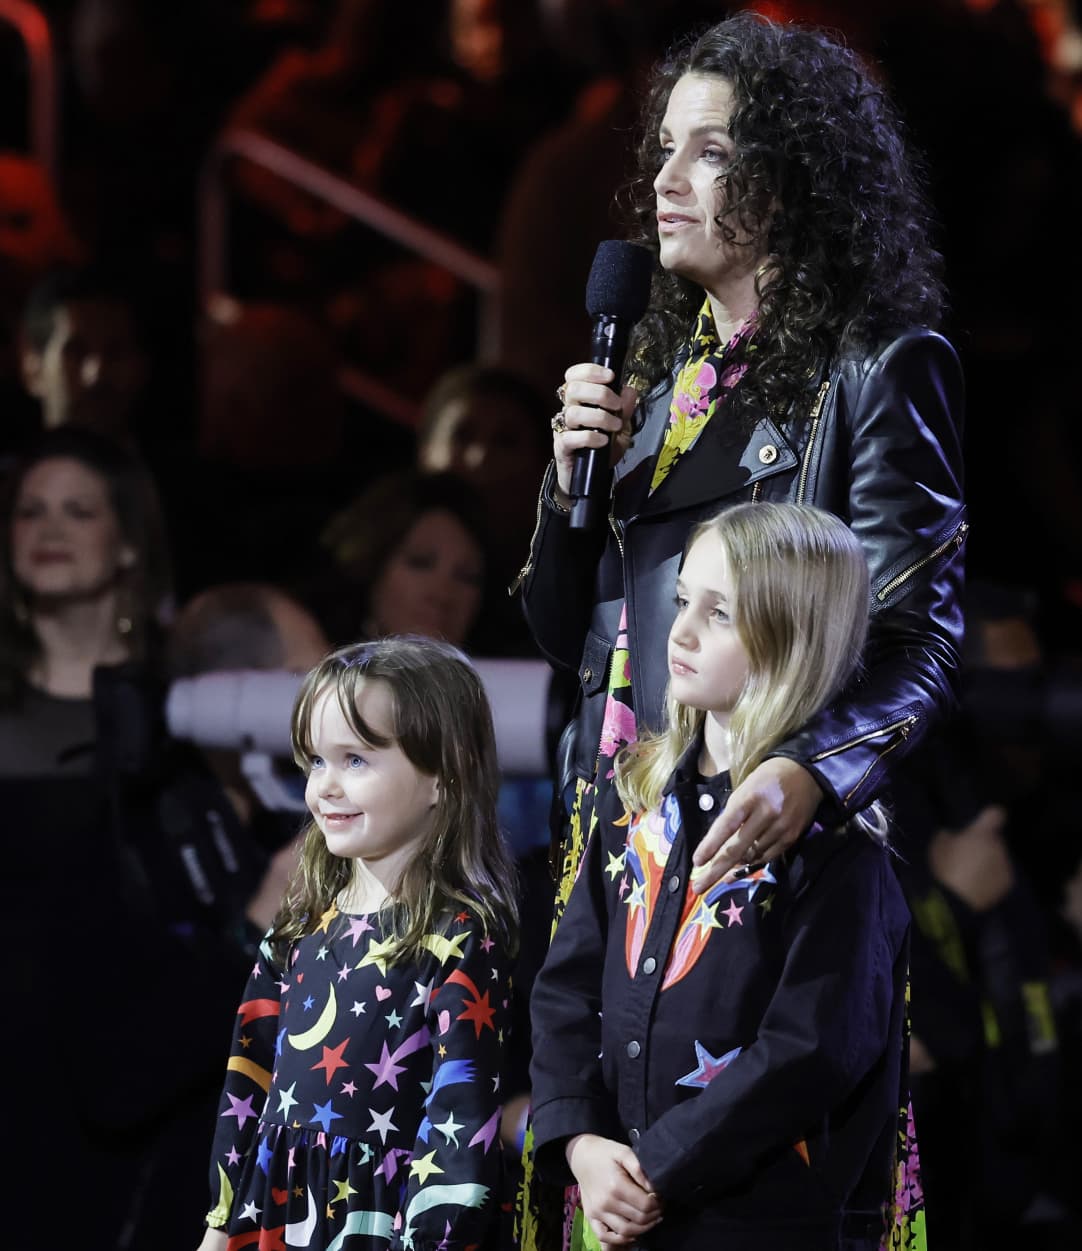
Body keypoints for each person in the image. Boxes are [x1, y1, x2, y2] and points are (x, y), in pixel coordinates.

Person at [518, 11, 965, 918]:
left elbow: (918, 643)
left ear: (790, 181)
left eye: (711, 152)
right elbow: (568, 638)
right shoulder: (651, 377)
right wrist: (569, 486)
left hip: (758, 844)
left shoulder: (874, 368)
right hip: (611, 840)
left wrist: (810, 771)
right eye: (666, 148)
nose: (666, 180)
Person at [530, 503, 911, 1251]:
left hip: (763, 1224)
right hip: (618, 1205)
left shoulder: (835, 846)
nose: (681, 631)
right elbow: (566, 986)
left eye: (721, 613)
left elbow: (812, 1048)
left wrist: (661, 1165)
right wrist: (581, 1143)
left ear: (792, 638)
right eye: (682, 600)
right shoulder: (633, 800)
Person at [196, 636, 518, 1251]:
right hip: (277, 1220)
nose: (326, 786)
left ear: (442, 775)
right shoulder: (298, 929)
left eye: (355, 761)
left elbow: (459, 1125)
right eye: (316, 761)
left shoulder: (456, 941)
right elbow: (247, 1083)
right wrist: (219, 1226)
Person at [0, 426, 170, 773]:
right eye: (30, 512)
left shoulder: (176, 679)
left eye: (78, 512)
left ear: (128, 543)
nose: (50, 531)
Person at [307, 469, 488, 650]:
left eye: (467, 576)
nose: (443, 595)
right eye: (420, 563)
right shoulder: (312, 657)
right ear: (373, 566)